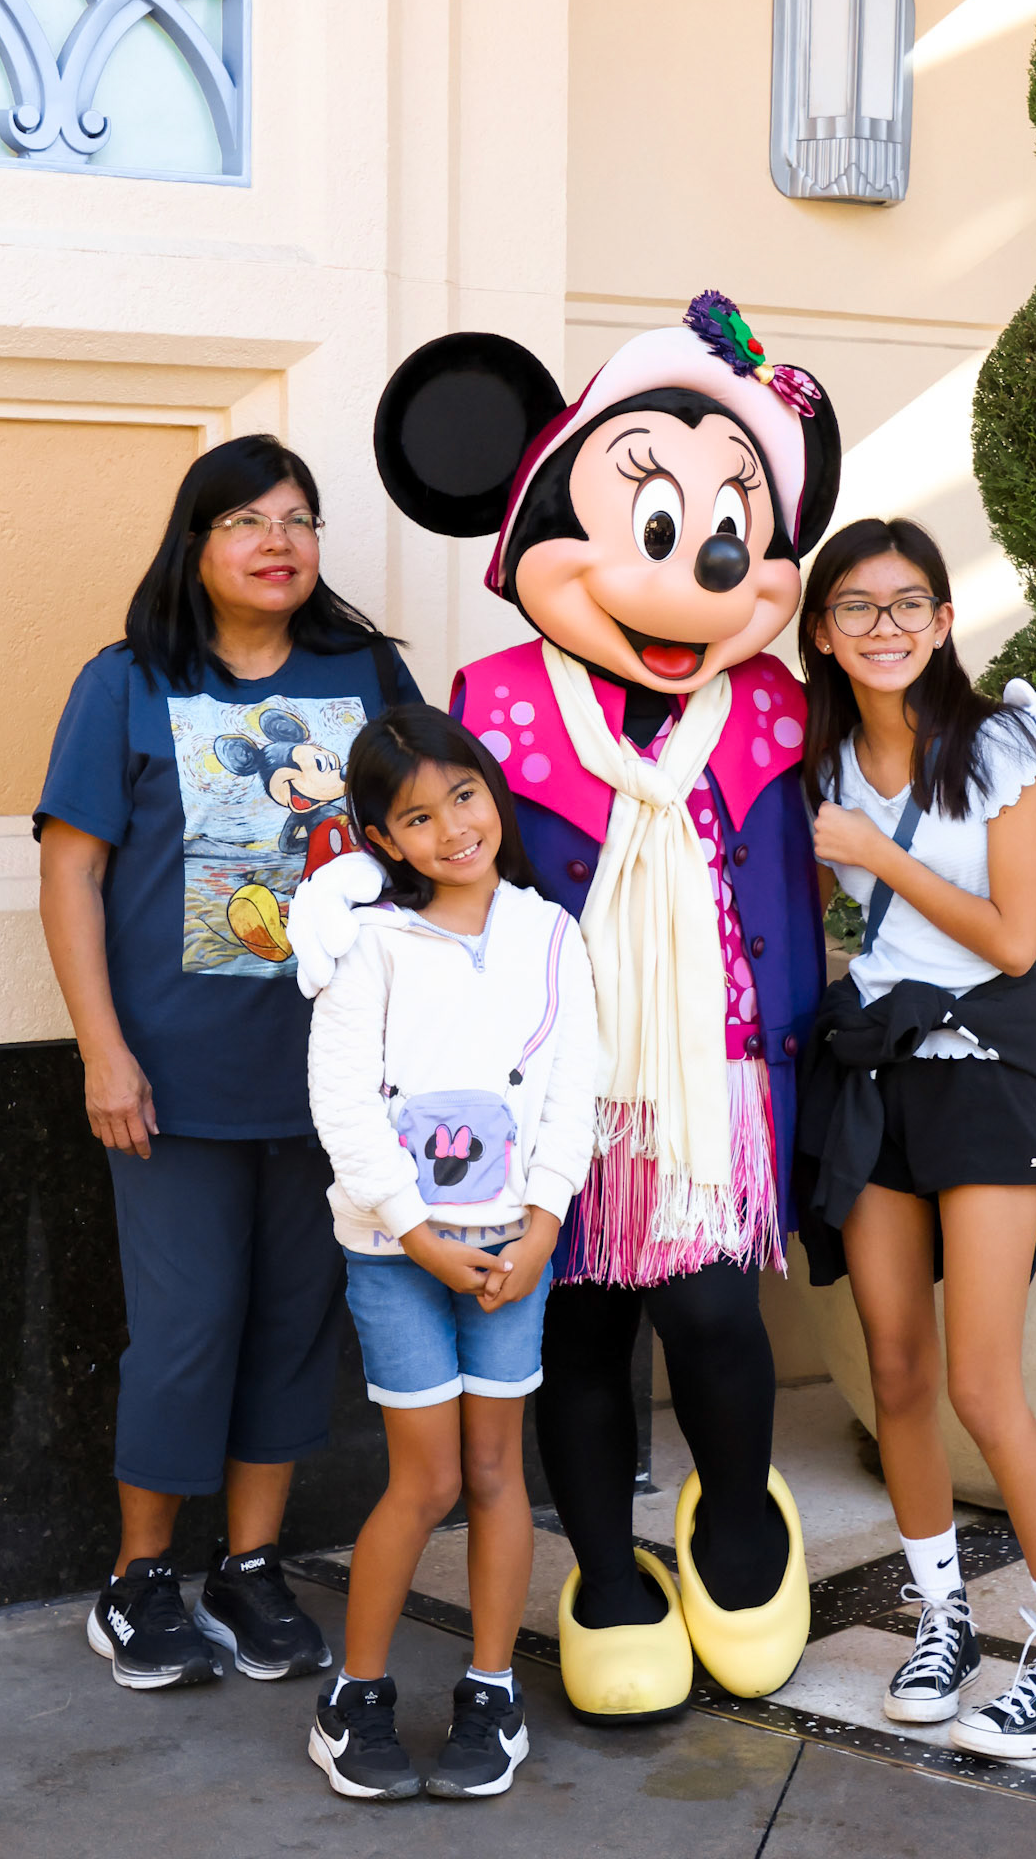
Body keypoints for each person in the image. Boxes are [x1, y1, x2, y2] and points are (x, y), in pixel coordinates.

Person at [292, 294, 838, 1719]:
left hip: (717, 1077)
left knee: (715, 1314)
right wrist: (342, 906)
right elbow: (421, 849)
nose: (700, 564)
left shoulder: (774, 708)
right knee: (582, 1332)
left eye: (734, 528)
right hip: (537, 1090)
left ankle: (735, 1517)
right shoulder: (495, 703)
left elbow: (829, 851)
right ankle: (604, 1568)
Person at [35, 432, 420, 1691]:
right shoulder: (128, 680)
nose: (277, 541)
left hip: (334, 1080)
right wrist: (103, 1051)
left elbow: (431, 836)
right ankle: (138, 1577)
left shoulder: (367, 672)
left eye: (298, 519)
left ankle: (251, 1566)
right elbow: (72, 871)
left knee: (292, 1326)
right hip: (173, 1084)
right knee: (187, 1328)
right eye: (247, 519)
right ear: (196, 543)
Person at [794, 516, 1036, 1760]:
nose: (884, 626)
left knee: (983, 1379)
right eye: (857, 606)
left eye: (908, 603)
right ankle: (943, 1620)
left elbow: (1013, 938)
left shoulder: (995, 744)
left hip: (983, 1065)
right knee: (897, 1371)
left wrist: (877, 851)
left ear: (942, 620)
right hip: (877, 1072)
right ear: (823, 630)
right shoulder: (822, 758)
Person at [303, 705, 596, 1800]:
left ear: (491, 790)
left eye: (463, 796)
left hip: (516, 1250)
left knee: (494, 1471)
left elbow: (575, 1088)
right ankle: (354, 1697)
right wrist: (417, 1233)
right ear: (384, 838)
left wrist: (545, 1221)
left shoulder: (550, 933)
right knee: (425, 1479)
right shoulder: (371, 944)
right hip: (398, 1255)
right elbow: (342, 1105)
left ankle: (491, 1690)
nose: (453, 827)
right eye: (418, 817)